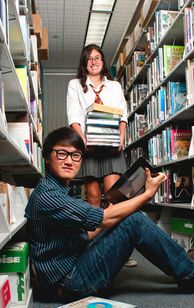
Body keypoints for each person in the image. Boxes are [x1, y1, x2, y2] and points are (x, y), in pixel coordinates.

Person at [25, 127, 194, 301]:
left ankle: (182, 259)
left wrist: (116, 210)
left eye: (75, 155)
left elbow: (86, 233)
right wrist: (146, 194)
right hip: (71, 282)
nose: (69, 161)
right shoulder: (48, 196)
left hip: (71, 265)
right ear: (47, 158)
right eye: (62, 153)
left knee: (123, 218)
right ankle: (192, 276)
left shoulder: (57, 189)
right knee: (133, 220)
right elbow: (103, 220)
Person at [67, 43, 137, 267]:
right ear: (84, 63)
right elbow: (74, 116)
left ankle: (120, 247)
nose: (94, 62)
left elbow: (122, 114)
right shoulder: (75, 86)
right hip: (89, 149)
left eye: (98, 58)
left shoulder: (114, 86)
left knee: (114, 196)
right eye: (89, 59)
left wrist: (121, 138)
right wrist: (82, 140)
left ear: (103, 62)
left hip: (111, 148)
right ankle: (96, 248)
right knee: (94, 199)